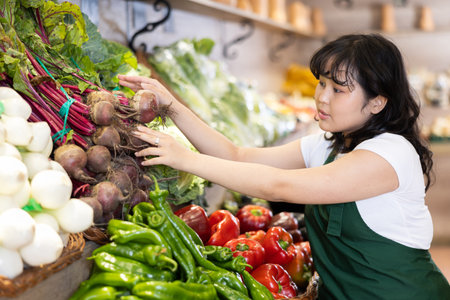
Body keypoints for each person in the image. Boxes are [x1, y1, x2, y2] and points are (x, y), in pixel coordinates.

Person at [118, 33, 450, 299]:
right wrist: (172, 106)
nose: (322, 97)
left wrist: (186, 160)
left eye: (338, 89)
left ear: (377, 101)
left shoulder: (390, 154)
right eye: (321, 83)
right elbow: (237, 154)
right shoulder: (331, 143)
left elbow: (279, 186)